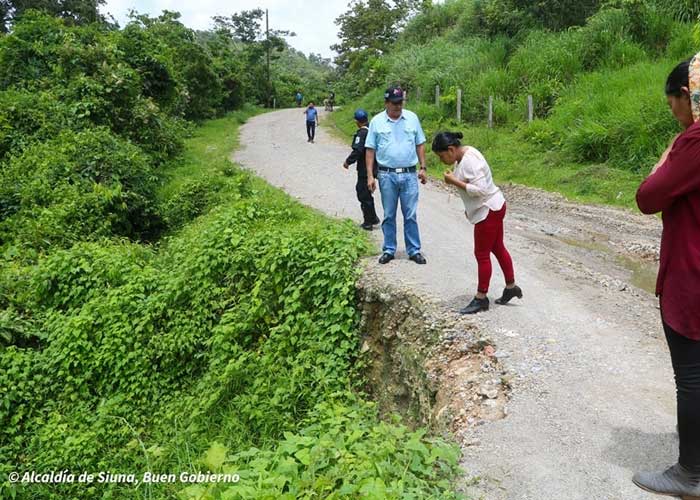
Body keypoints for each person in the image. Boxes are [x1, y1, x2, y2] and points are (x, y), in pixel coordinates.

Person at [632, 57, 700, 498]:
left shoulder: (695, 141)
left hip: (692, 271)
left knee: (692, 375)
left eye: (673, 99)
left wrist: (668, 154)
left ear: (687, 96)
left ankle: (690, 473)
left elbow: (647, 197)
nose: (673, 108)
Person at [431, 131, 522, 314]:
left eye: (442, 156)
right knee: (497, 247)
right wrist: (469, 207)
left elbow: (480, 189)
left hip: (487, 211)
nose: (442, 161)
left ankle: (481, 298)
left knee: (481, 254)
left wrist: (454, 181)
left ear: (451, 149)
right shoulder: (467, 153)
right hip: (493, 206)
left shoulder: (470, 161)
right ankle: (511, 287)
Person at [366, 85, 428, 265]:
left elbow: (420, 143)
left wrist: (423, 167)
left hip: (409, 175)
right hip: (386, 175)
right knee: (389, 214)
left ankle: (414, 250)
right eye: (394, 103)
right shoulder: (377, 122)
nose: (397, 106)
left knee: (410, 215)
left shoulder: (412, 118)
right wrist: (370, 175)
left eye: (400, 102)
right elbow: (370, 150)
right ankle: (389, 249)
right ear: (386, 103)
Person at [343, 109, 380, 230]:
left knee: (363, 193)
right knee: (366, 193)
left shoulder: (362, 133)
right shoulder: (372, 130)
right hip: (374, 166)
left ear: (357, 121)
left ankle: (368, 221)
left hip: (365, 169)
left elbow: (358, 150)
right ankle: (373, 217)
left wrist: (348, 161)